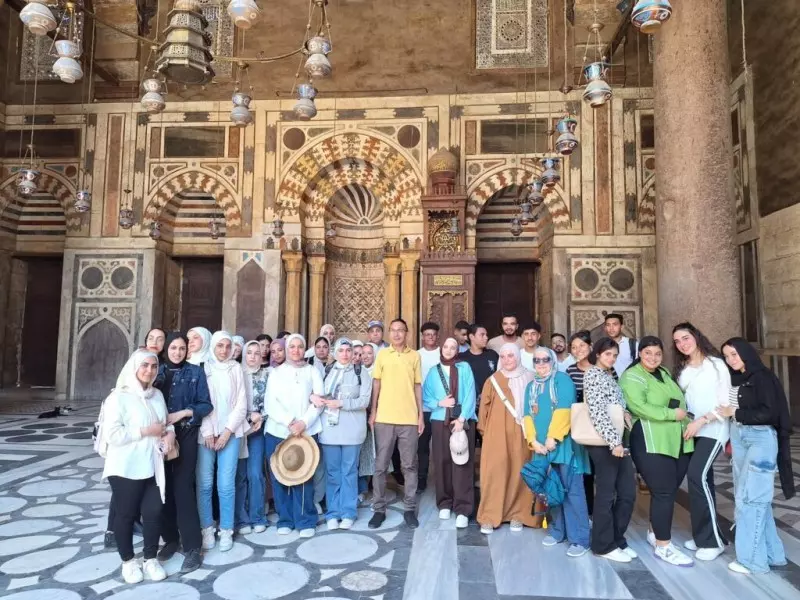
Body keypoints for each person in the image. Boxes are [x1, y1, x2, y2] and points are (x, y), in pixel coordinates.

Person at [718, 338, 794, 575]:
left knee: (751, 499)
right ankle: (773, 554)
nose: (731, 360)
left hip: (759, 438)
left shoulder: (762, 377)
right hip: (739, 436)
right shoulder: (738, 378)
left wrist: (735, 412)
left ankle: (751, 561)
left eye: (734, 354)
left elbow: (770, 413)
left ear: (745, 352)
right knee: (751, 497)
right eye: (727, 356)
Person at [101, 349, 174, 584]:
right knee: (126, 514)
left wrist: (170, 435)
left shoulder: (157, 395)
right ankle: (128, 561)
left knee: (153, 512)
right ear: (134, 368)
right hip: (126, 467)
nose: (149, 371)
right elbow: (112, 434)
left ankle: (150, 559)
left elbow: (165, 423)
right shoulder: (118, 397)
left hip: (152, 464)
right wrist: (145, 431)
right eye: (145, 366)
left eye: (153, 366)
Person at [621, 336, 695, 567]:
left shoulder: (663, 372)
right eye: (648, 353)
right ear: (639, 354)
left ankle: (654, 532)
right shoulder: (632, 376)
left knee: (668, 491)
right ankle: (664, 546)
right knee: (663, 491)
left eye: (657, 354)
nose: (653, 358)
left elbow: (677, 399)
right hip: (650, 440)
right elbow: (639, 406)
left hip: (676, 439)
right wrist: (671, 414)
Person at [156, 332, 213, 573]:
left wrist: (183, 413)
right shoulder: (156, 371)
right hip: (158, 436)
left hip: (186, 435)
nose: (178, 352)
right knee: (163, 488)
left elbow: (205, 404)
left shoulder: (195, 372)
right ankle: (170, 538)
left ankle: (192, 547)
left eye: (182, 348)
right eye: (173, 348)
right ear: (166, 349)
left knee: (182, 488)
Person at [673, 322, 730, 561]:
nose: (682, 344)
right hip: (691, 431)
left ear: (696, 336)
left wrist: (702, 421)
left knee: (696, 475)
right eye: (677, 341)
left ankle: (712, 542)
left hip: (714, 429)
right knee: (702, 481)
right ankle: (703, 536)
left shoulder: (716, 365)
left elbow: (726, 404)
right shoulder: (683, 370)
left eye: (685, 338)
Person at [527, 347, 591, 556]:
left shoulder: (563, 381)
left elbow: (564, 409)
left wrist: (553, 437)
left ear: (553, 361)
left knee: (572, 491)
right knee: (551, 490)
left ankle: (579, 539)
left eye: (545, 359)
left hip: (563, 445)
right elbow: (526, 416)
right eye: (537, 360)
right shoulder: (531, 386)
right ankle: (557, 531)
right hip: (541, 447)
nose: (541, 364)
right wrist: (533, 441)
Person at [264, 334, 325, 538]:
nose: (296, 350)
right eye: (292, 347)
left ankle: (305, 520)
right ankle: (285, 519)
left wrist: (303, 423)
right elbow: (270, 402)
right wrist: (290, 421)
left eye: (300, 346)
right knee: (280, 475)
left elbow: (319, 401)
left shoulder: (312, 371)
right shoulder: (276, 373)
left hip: (305, 432)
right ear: (287, 349)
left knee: (304, 476)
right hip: (279, 431)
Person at [584, 338, 637, 563]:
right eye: (607, 354)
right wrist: (614, 442)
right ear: (597, 354)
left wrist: (625, 413)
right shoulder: (593, 374)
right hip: (604, 442)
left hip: (616, 441)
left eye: (615, 355)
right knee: (606, 495)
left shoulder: (609, 375)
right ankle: (603, 545)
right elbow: (597, 411)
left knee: (627, 492)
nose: (612, 358)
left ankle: (616, 539)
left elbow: (615, 405)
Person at [368, 318, 424, 530]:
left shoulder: (414, 356)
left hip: (408, 419)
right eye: (393, 330)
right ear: (389, 333)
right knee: (380, 466)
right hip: (384, 418)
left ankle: (409, 508)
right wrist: (374, 411)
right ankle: (379, 509)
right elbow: (376, 383)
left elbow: (417, 386)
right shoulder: (382, 355)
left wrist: (420, 415)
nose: (397, 334)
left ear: (407, 333)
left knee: (409, 465)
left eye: (401, 330)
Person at [476, 343, 537, 534]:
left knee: (521, 472)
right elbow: (483, 410)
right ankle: (490, 515)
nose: (506, 360)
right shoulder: (493, 380)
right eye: (503, 356)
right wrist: (487, 433)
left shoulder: (531, 377)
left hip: (524, 434)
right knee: (495, 472)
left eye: (511, 355)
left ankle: (518, 514)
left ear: (518, 356)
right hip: (497, 434)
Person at [197, 331, 248, 553]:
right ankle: (207, 528)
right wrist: (209, 431)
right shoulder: (203, 368)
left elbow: (241, 404)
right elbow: (201, 401)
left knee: (226, 484)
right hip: (206, 435)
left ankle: (226, 529)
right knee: (205, 484)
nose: (224, 350)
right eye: (220, 346)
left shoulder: (236, 368)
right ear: (213, 346)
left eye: (228, 346)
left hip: (231, 433)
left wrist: (227, 432)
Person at [422, 337, 477, 529]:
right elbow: (425, 396)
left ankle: (463, 508)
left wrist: (462, 419)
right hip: (440, 420)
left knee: (462, 463)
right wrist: (440, 403)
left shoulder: (464, 368)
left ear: (457, 350)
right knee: (442, 461)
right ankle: (444, 502)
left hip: (462, 421)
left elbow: (470, 394)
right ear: (441, 349)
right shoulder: (433, 371)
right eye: (445, 346)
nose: (448, 350)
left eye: (452, 347)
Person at [320, 338, 372, 530]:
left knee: (349, 472)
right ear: (335, 353)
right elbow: (318, 395)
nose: (345, 354)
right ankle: (333, 513)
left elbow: (364, 400)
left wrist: (342, 403)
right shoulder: (326, 371)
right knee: (333, 473)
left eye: (348, 350)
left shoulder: (361, 373)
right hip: (330, 431)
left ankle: (348, 512)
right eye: (341, 350)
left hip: (352, 431)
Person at [235, 341, 268, 535]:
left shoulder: (268, 374)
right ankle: (242, 519)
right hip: (239, 429)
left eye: (257, 353)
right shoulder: (236, 373)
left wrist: (261, 417)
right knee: (240, 476)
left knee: (255, 474)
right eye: (249, 353)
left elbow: (273, 401)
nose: (253, 356)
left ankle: (257, 517)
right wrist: (248, 417)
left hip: (257, 430)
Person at [566, 330, 598, 515]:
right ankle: (587, 512)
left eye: (582, 346)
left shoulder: (603, 367)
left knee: (602, 470)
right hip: (579, 425)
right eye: (574, 347)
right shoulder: (570, 371)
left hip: (601, 425)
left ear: (591, 346)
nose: (578, 350)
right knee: (585, 469)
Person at [417, 321, 441, 493]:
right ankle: (421, 481)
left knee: (441, 448)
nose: (430, 337)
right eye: (427, 334)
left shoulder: (443, 353)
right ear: (422, 337)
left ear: (437, 336)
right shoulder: (416, 355)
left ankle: (442, 482)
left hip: (441, 409)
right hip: (423, 409)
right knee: (422, 448)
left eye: (433, 334)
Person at [458, 324, 499, 400]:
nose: (486, 337)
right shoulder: (462, 358)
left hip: (492, 400)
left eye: (486, 335)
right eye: (482, 335)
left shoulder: (492, 355)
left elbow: (500, 377)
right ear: (471, 337)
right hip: (470, 401)